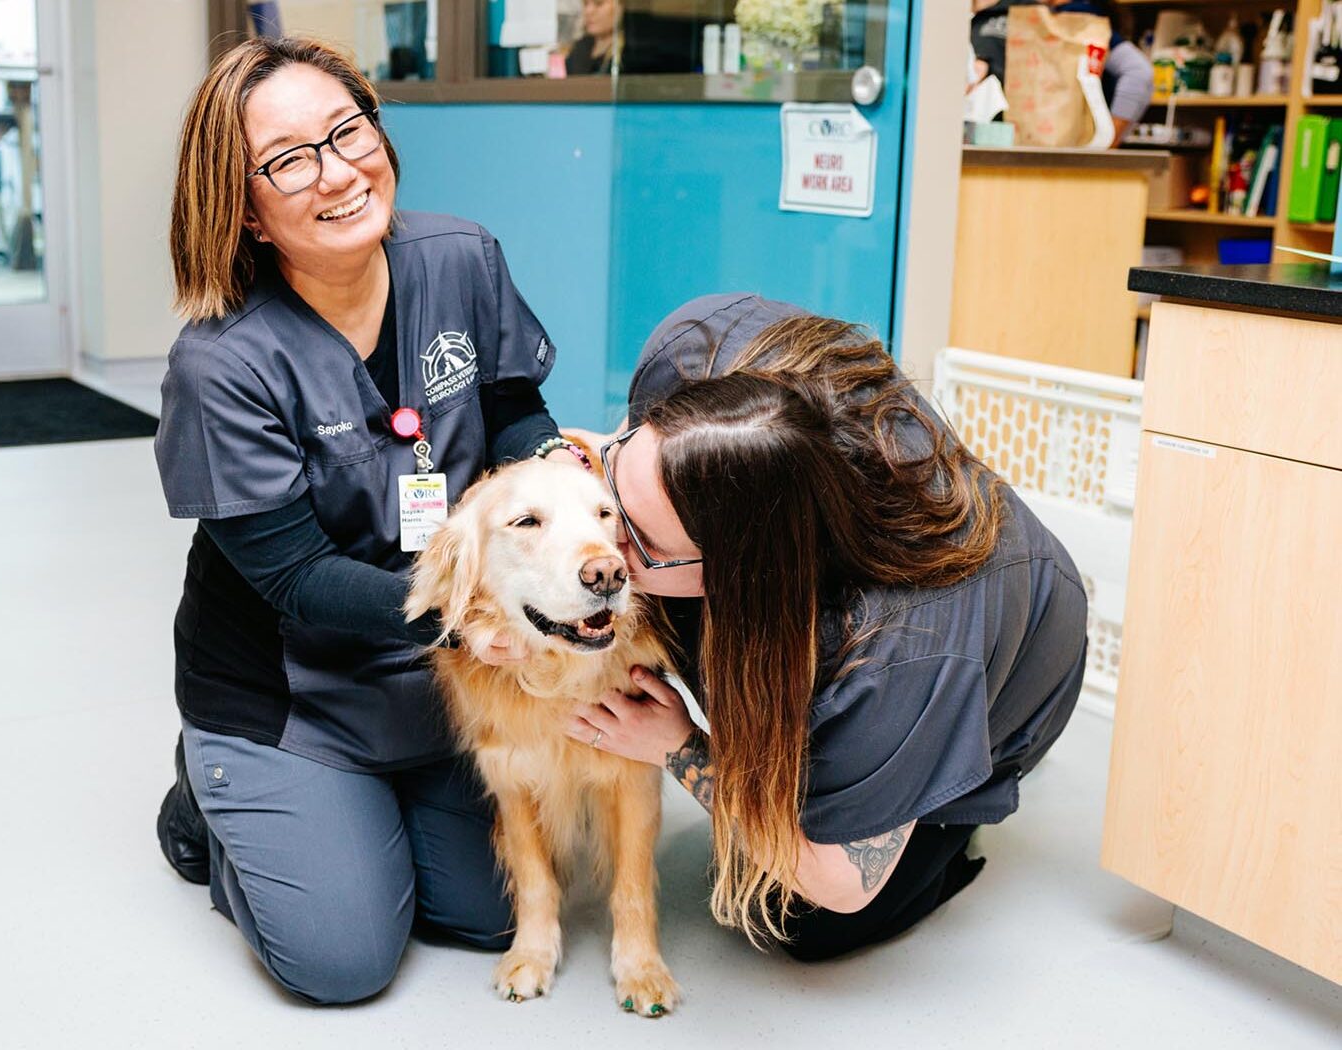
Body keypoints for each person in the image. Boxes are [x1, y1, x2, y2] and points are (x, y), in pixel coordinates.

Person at [153, 35, 579, 1004]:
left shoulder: (458, 258)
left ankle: (361, 813)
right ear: (245, 208)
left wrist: (554, 471)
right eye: (292, 159)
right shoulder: (222, 364)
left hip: (444, 679)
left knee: (492, 916)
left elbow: (512, 408)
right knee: (342, 963)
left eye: (350, 132)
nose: (339, 173)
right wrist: (476, 616)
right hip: (293, 694)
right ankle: (208, 798)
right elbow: (296, 578)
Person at [562, 294, 1088, 958]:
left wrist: (681, 746)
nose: (604, 540)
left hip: (1013, 672)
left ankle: (943, 815)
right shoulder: (698, 349)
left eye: (635, 538)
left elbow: (841, 883)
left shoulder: (902, 653)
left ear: (744, 574)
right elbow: (618, 467)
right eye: (617, 466)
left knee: (800, 919)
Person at [971, 0, 1153, 146]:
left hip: (1061, 150)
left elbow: (1138, 73)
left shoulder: (1077, 19)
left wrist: (1107, 142)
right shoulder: (1022, 15)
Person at [565, 0, 621, 75]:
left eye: (598, 4)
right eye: (585, 4)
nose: (588, 11)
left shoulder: (630, 53)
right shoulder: (579, 48)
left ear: (620, 7)